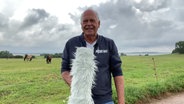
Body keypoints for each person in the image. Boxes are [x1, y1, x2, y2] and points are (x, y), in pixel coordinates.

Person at [61, 8, 125, 104]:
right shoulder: (71, 43)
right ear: (81, 24)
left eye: (92, 20)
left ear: (98, 24)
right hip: (79, 100)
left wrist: (121, 101)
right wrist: (78, 87)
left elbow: (117, 73)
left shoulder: (109, 44)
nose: (89, 24)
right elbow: (64, 70)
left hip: (105, 100)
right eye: (85, 21)